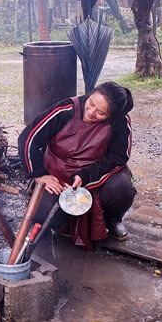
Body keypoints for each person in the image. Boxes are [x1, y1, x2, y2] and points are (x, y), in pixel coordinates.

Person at [18, 81, 136, 250]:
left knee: (121, 188)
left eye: (100, 113)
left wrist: (85, 175)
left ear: (112, 115)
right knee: (45, 214)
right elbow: (28, 139)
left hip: (95, 175)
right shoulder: (65, 110)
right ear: (90, 94)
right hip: (56, 175)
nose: (91, 112)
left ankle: (113, 219)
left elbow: (119, 156)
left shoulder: (120, 121)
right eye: (91, 103)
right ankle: (61, 226)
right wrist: (39, 175)